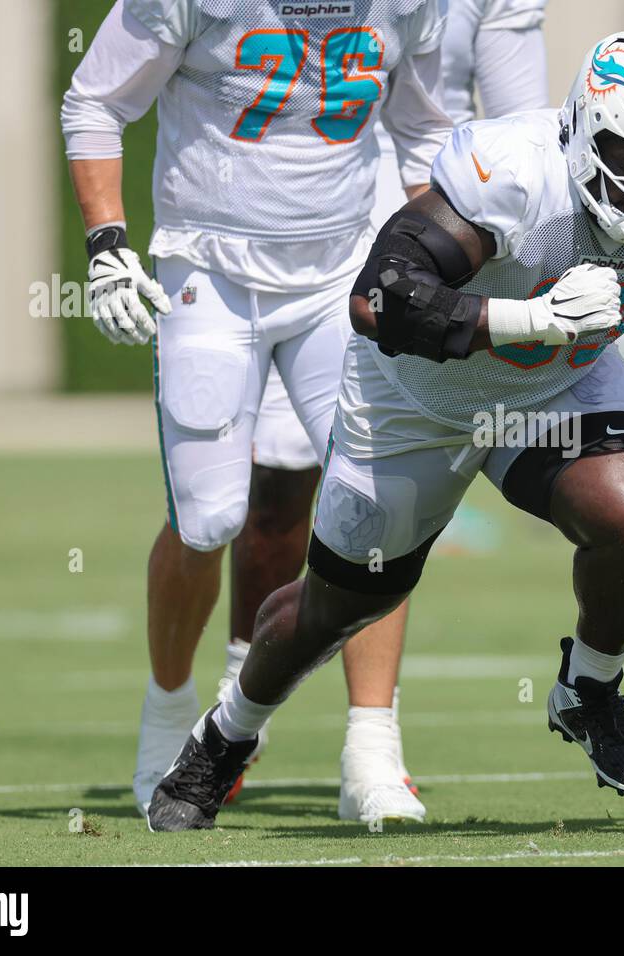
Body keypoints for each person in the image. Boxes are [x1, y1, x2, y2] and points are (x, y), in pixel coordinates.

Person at [147, 30, 624, 831]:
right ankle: (225, 735)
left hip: (555, 385)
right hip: (415, 399)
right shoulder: (514, 173)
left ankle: (590, 688)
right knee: (336, 610)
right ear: (583, 125)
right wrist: (525, 317)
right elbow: (378, 298)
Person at [60, 0, 450, 819]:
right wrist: (106, 243)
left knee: (382, 505)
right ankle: (170, 717)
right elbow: (96, 100)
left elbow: (421, 131)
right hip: (211, 267)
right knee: (208, 521)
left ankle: (373, 753)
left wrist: (444, 258)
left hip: (341, 269)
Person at [230, 0, 550, 822]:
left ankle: (372, 747)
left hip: (441, 214)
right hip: (302, 216)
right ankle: (238, 706)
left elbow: (519, 120)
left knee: (384, 485)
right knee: (271, 498)